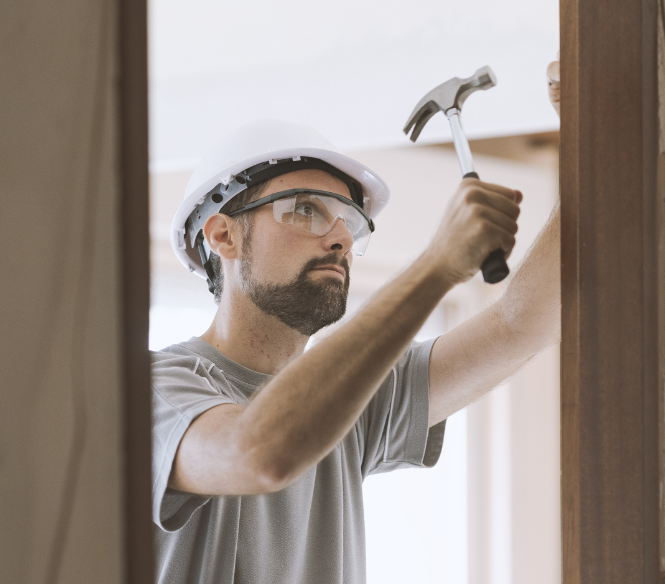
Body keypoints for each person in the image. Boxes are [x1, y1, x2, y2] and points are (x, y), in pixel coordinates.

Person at [150, 62, 561, 583]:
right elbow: (259, 452)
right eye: (304, 210)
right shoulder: (156, 393)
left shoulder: (352, 395)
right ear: (223, 236)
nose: (341, 238)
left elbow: (519, 326)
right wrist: (436, 265)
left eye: (350, 221)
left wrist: (595, 141)